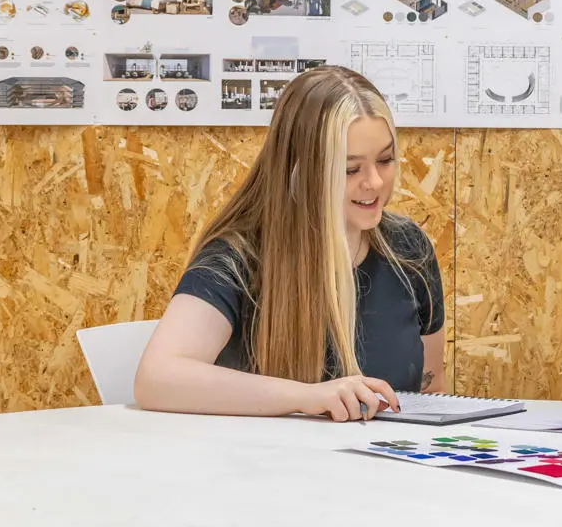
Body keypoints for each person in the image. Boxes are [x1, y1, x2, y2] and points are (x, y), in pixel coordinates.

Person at [132, 66, 445, 422]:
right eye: (349, 169)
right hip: (265, 469)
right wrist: (307, 397)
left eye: (386, 160)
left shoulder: (408, 247)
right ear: (300, 173)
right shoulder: (239, 256)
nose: (374, 181)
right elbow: (155, 378)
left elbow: (431, 390)